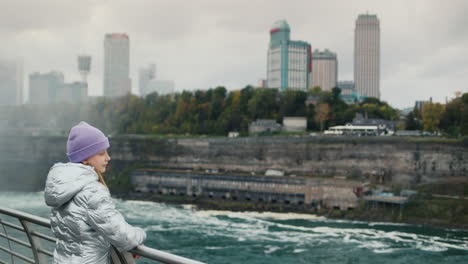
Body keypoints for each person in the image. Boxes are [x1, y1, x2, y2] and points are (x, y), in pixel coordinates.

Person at [44, 121, 146, 264]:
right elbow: (123, 235)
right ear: (85, 158)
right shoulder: (92, 191)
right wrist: (141, 234)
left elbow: (83, 232)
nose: (108, 158)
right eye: (101, 153)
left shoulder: (61, 187)